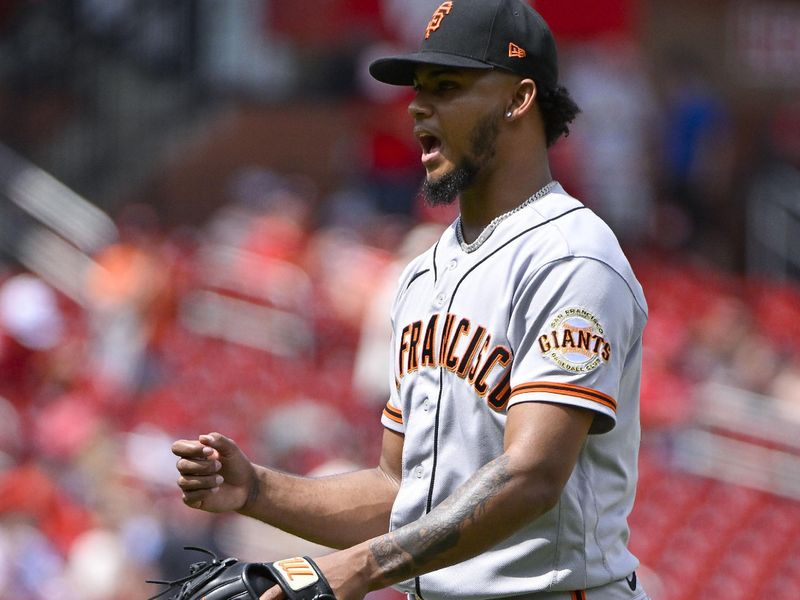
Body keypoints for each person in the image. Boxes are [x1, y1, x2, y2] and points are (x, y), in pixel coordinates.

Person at [172, 1, 650, 599]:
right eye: (417, 89)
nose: (418, 107)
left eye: (447, 87)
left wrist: (361, 567)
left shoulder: (571, 257)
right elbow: (401, 493)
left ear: (519, 99)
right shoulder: (422, 275)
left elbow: (532, 474)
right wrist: (258, 491)